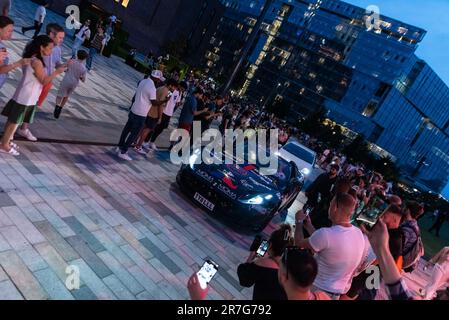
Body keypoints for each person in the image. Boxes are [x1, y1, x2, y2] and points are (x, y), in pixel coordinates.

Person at [294, 193, 369, 299]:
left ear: (335, 207)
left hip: (315, 290)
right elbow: (328, 246)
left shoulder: (326, 234)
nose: (329, 207)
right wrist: (309, 226)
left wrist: (298, 222)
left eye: (330, 204)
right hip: (334, 294)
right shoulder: (358, 234)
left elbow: (298, 243)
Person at [0, 35, 65, 156]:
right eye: (50, 48)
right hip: (27, 96)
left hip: (24, 93)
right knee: (15, 122)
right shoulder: (37, 62)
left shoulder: (33, 58)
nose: (51, 52)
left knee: (13, 120)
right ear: (42, 47)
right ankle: (4, 145)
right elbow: (44, 81)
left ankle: (6, 140)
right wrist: (57, 72)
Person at [17, 23, 66, 142]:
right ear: (50, 34)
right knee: (23, 104)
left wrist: (65, 66)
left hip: (46, 82)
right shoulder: (36, 45)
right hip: (34, 81)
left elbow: (57, 63)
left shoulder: (57, 49)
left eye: (63, 38)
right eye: (59, 37)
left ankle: (24, 128)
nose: (61, 40)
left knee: (34, 106)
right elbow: (26, 60)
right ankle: (14, 128)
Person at [116, 70, 167, 161]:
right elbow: (154, 102)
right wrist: (164, 100)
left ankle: (120, 146)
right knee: (134, 134)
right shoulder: (152, 87)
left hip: (134, 109)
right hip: (141, 113)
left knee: (126, 129)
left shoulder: (143, 81)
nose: (159, 81)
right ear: (156, 78)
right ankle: (123, 151)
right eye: (159, 79)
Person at [237, 224, 293, 300]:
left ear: (270, 245)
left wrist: (251, 257)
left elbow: (244, 281)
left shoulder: (261, 265)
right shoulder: (291, 268)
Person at [134, 78, 178, 154]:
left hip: (149, 111)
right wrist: (160, 117)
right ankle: (138, 146)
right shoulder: (165, 91)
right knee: (147, 130)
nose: (174, 89)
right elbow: (161, 105)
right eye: (174, 87)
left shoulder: (160, 88)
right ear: (170, 85)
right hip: (154, 113)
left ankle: (134, 142)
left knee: (143, 128)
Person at [147, 81, 186, 149]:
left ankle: (152, 141)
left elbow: (176, 102)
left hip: (169, 113)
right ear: (179, 86)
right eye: (182, 88)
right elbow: (165, 99)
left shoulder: (180, 93)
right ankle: (146, 141)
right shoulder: (172, 91)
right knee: (155, 127)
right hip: (164, 111)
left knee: (161, 129)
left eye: (183, 89)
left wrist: (179, 103)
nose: (182, 90)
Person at [54, 49, 88, 119]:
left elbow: (62, 66)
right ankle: (60, 108)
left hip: (66, 80)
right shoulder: (84, 68)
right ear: (84, 58)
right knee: (66, 96)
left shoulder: (71, 61)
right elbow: (83, 80)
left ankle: (57, 107)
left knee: (60, 95)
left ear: (77, 55)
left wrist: (66, 69)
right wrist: (80, 77)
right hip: (74, 83)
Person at [1, 16, 31, 90]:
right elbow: (1, 70)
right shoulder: (1, 48)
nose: (11, 34)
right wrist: (18, 63)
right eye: (9, 31)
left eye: (12, 31)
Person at [401, 201, 425, 273]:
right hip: (402, 260)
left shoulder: (408, 229)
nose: (403, 209)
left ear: (408, 210)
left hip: (397, 260)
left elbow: (398, 247)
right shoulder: (415, 226)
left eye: (405, 208)